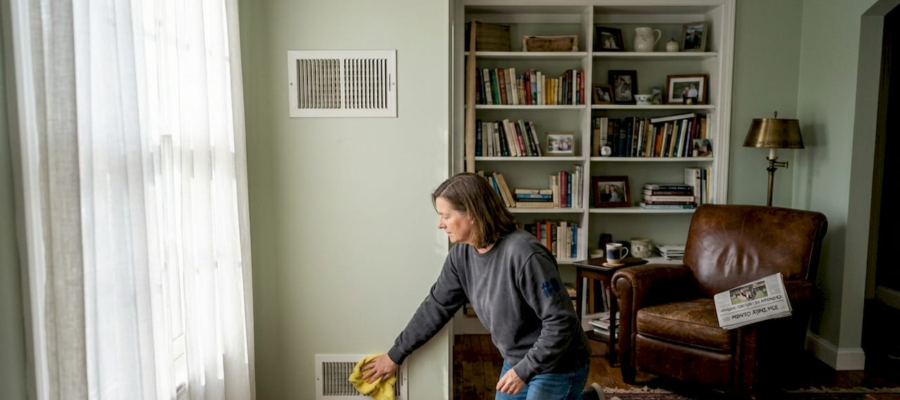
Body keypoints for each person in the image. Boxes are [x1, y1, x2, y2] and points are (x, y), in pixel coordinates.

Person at [361, 172, 605, 400]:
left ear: (472, 214)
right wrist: (395, 355)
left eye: (446, 216)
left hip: (558, 362)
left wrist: (525, 370)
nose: (440, 224)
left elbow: (562, 322)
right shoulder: (461, 255)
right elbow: (436, 306)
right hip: (516, 359)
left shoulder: (524, 254)